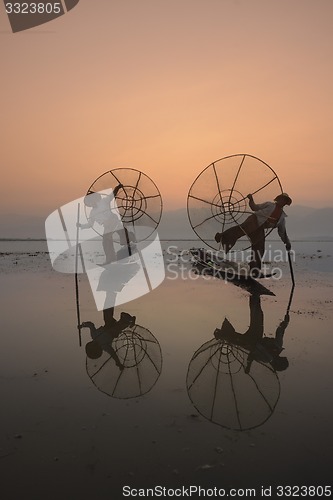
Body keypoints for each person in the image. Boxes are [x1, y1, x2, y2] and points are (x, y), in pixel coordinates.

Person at [215, 193, 292, 275]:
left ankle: (254, 269)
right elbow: (254, 207)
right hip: (254, 220)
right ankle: (221, 236)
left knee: (260, 248)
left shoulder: (281, 218)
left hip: (259, 229)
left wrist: (287, 242)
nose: (282, 201)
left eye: (284, 201)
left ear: (285, 203)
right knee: (240, 230)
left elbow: (282, 232)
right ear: (278, 199)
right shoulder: (269, 205)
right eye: (281, 199)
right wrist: (251, 199)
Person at [78, 184, 132, 264]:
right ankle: (111, 258)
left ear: (94, 199)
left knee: (121, 235)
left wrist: (117, 187)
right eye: (89, 203)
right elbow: (90, 224)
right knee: (106, 242)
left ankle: (127, 247)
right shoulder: (92, 213)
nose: (91, 204)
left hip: (113, 220)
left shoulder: (104, 201)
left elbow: (112, 195)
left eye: (91, 201)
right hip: (107, 225)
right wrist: (81, 225)